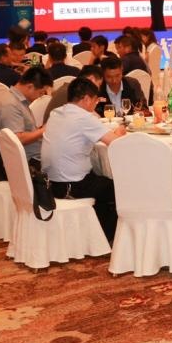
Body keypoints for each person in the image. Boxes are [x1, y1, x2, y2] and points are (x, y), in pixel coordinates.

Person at [41, 78, 126, 241]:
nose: (95, 104)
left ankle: (95, 234)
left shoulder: (56, 113)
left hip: (51, 183)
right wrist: (120, 133)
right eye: (95, 100)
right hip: (72, 185)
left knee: (101, 179)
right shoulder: (83, 118)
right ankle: (108, 237)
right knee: (119, 188)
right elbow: (116, 143)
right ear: (86, 99)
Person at [0, 66, 52, 167]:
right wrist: (43, 130)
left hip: (33, 156)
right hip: (27, 163)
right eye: (41, 93)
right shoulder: (10, 105)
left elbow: (25, 130)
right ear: (30, 87)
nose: (40, 97)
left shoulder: (19, 101)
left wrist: (41, 129)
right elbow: (17, 139)